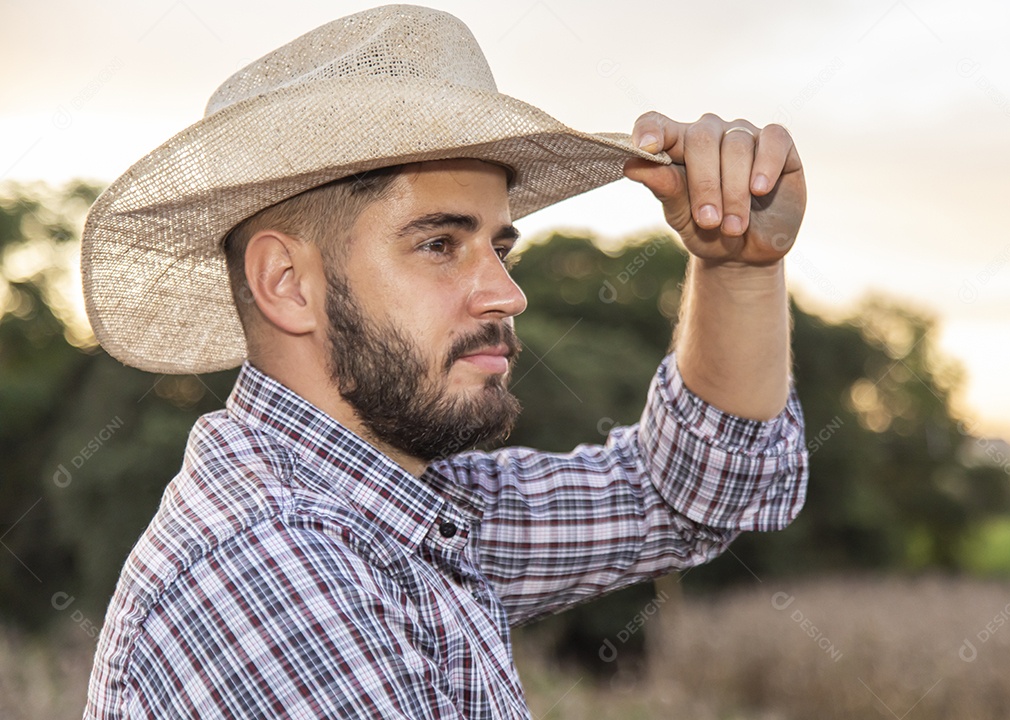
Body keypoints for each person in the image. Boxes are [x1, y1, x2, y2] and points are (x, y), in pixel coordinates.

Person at [80, 5, 808, 718]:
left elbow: (683, 494)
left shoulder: (408, 510)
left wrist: (738, 267)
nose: (507, 294)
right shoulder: (266, 572)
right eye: (439, 244)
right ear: (286, 284)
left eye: (501, 246)